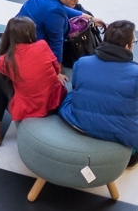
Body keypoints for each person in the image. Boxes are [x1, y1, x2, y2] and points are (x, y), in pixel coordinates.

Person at [0, 15, 67, 145]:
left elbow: (4, 72)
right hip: (55, 99)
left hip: (33, 107)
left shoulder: (6, 60)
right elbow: (56, 68)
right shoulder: (42, 46)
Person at [59, 20, 138, 169]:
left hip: (79, 121)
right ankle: (132, 156)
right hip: (120, 131)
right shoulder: (135, 73)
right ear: (127, 47)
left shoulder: (82, 63)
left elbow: (76, 88)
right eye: (134, 41)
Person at [17, 0, 99, 65]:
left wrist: (88, 17)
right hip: (31, 46)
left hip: (18, 32)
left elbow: (58, 7)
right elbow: (56, 43)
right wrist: (57, 67)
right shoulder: (55, 13)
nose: (77, 1)